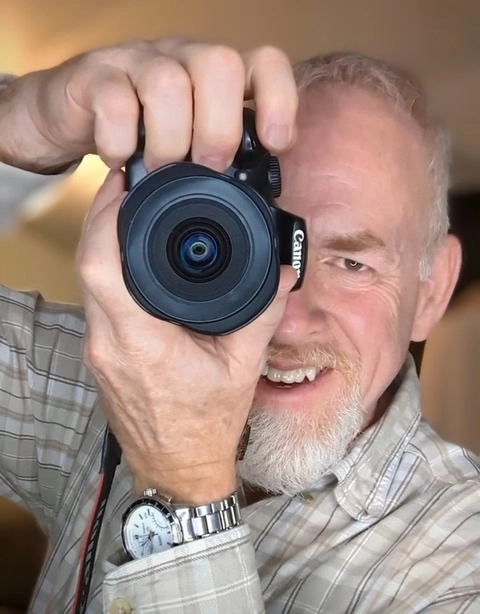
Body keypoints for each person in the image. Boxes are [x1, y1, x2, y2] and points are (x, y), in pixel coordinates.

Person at [0, 37, 479, 614]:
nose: (285, 320)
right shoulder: (110, 374)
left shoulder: (459, 565)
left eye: (352, 263)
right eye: (247, 244)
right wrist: (22, 128)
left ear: (432, 290)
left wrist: (183, 472)